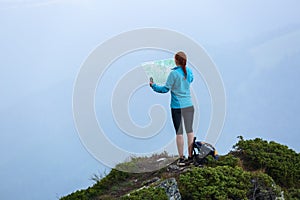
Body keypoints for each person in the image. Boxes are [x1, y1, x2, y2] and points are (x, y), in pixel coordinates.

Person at [150, 51, 195, 166]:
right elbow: (191, 80)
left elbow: (165, 89)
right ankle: (191, 156)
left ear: (175, 60)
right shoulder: (188, 71)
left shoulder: (173, 74)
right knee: (190, 131)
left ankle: (181, 158)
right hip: (189, 105)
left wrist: (153, 85)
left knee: (179, 133)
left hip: (177, 107)